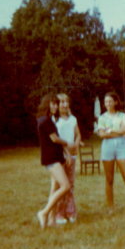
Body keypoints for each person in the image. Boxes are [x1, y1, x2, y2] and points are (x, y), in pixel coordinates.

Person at [97, 92, 125, 216]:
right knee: (109, 179)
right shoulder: (102, 118)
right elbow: (102, 134)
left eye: (110, 101)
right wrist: (119, 132)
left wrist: (110, 131)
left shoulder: (122, 115)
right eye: (106, 102)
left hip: (122, 146)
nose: (107, 104)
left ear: (116, 102)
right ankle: (111, 207)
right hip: (107, 148)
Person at [36, 93, 71, 229]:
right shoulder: (45, 120)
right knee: (65, 186)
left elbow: (56, 141)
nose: (55, 106)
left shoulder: (48, 119)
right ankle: (44, 213)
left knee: (54, 188)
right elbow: (55, 139)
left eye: (56, 103)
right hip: (51, 159)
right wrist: (68, 144)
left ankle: (51, 220)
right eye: (53, 103)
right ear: (46, 104)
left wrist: (65, 153)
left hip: (56, 157)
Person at [54, 93, 84, 225]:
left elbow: (78, 134)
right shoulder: (54, 120)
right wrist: (65, 151)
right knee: (61, 185)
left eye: (66, 102)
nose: (65, 104)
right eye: (61, 102)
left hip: (72, 155)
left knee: (70, 184)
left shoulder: (73, 119)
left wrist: (76, 144)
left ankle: (70, 211)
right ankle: (59, 213)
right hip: (60, 156)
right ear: (56, 104)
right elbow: (55, 140)